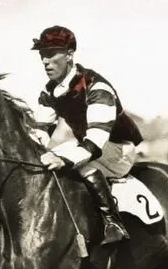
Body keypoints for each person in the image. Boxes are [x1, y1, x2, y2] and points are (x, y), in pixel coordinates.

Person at [31, 25, 144, 245]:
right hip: (90, 147)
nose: (45, 61)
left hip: (118, 149)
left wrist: (62, 159)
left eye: (51, 54)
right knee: (48, 158)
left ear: (70, 55)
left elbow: (95, 144)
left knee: (71, 160)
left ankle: (112, 223)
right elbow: (40, 132)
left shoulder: (97, 87)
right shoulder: (49, 91)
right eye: (42, 55)